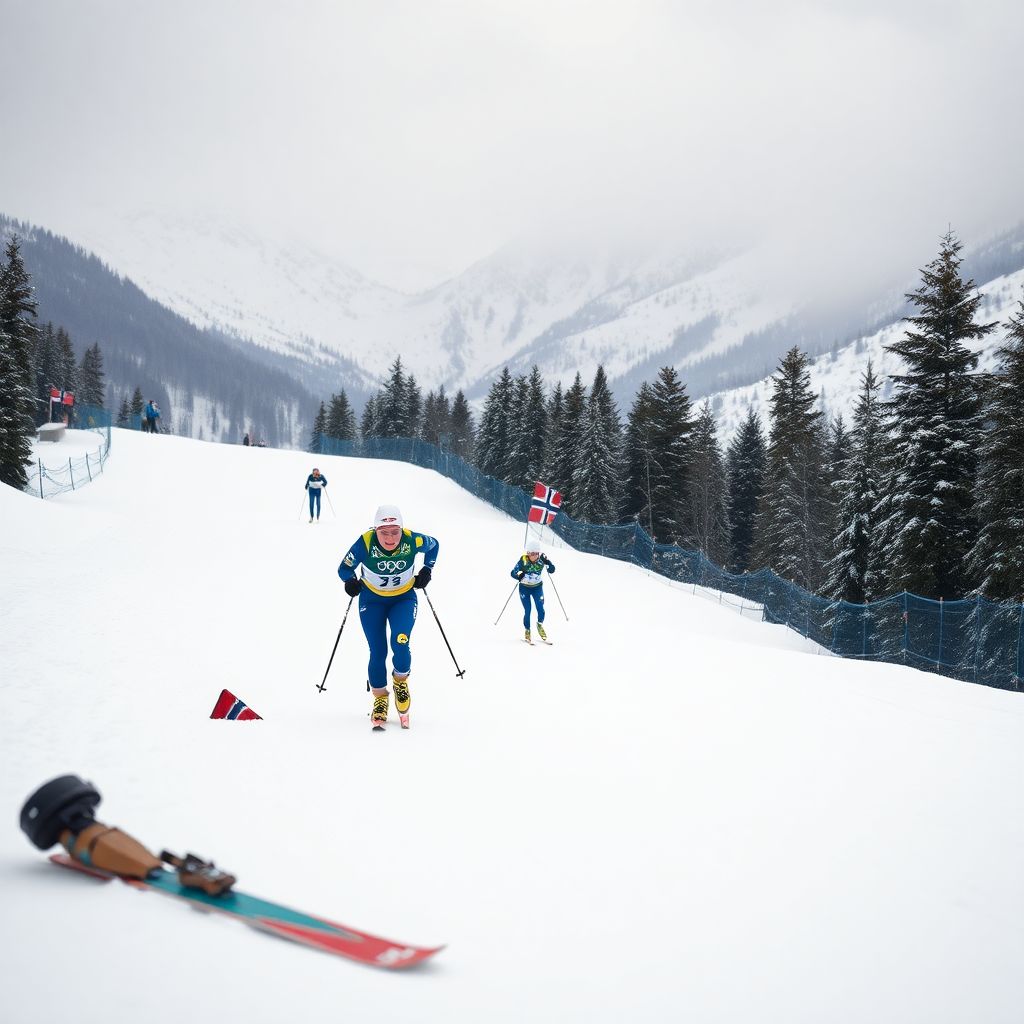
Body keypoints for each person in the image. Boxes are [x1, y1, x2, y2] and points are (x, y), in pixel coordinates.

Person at [337, 505, 439, 730]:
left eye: (395, 531)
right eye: (384, 532)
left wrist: (427, 570)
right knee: (378, 650)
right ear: (376, 530)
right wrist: (349, 582)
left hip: (403, 600)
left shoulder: (413, 540)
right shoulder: (365, 542)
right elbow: (344, 568)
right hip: (372, 602)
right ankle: (380, 698)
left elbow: (434, 545)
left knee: (401, 641)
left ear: (402, 529)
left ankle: (400, 682)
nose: (390, 538)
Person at [511, 549, 555, 643]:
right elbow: (512, 573)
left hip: (537, 588)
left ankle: (539, 625)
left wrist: (549, 564)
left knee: (540, 607)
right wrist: (519, 575)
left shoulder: (542, 559)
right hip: (524, 589)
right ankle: (527, 630)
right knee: (528, 610)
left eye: (535, 554)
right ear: (528, 554)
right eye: (531, 554)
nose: (533, 556)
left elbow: (552, 569)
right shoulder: (523, 561)